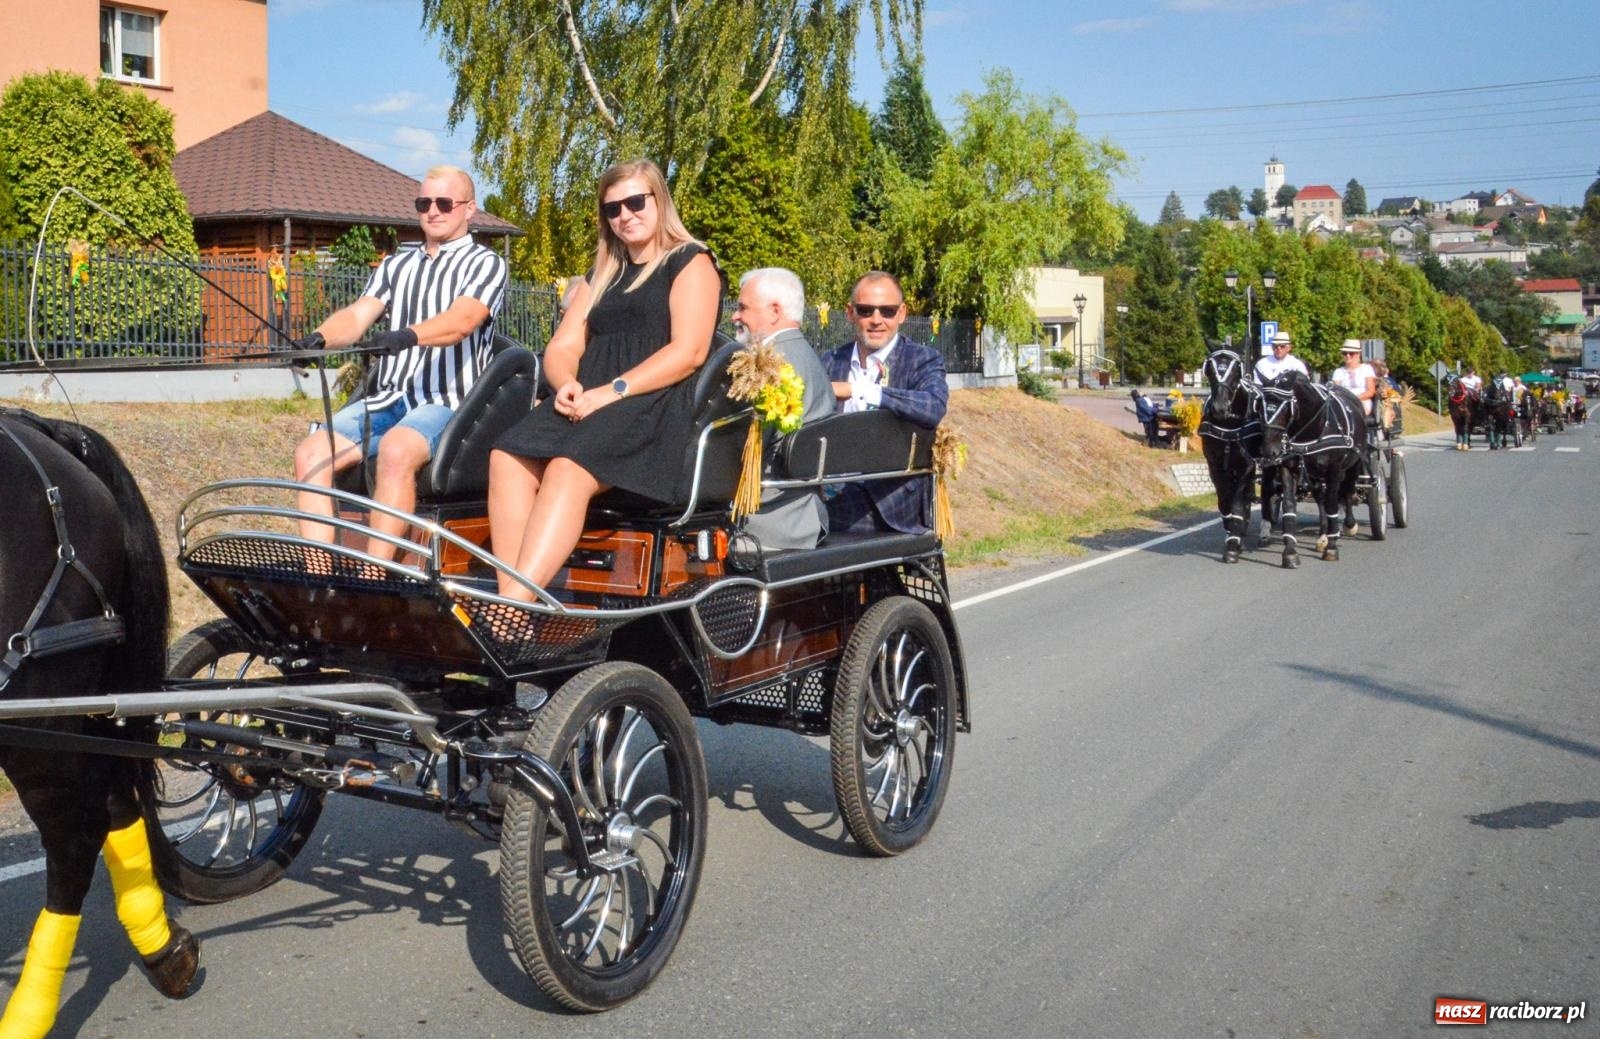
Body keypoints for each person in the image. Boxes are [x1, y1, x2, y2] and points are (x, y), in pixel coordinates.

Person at [487, 159, 724, 599]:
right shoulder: (603, 273)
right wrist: (565, 383)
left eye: (635, 202)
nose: (624, 216)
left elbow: (688, 352)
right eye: (612, 209)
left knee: (568, 467)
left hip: (652, 398)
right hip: (589, 395)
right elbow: (563, 347)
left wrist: (612, 391)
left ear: (659, 200)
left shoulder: (691, 261)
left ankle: (512, 605)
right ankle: (516, 610)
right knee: (506, 455)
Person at [291, 165, 508, 561]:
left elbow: (463, 320)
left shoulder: (485, 263)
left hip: (446, 403)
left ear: (469, 208)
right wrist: (319, 338)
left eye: (445, 203)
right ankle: (319, 579)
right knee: (310, 452)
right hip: (387, 398)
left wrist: (408, 335)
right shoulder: (396, 265)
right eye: (424, 203)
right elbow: (358, 316)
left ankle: (375, 572)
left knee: (396, 449)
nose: (433, 212)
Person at [820, 272, 949, 534]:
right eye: (866, 310)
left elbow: (933, 406)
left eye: (887, 311)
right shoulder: (829, 361)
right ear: (850, 313)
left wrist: (860, 390)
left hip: (893, 502)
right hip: (831, 494)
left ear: (902, 314)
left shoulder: (922, 360)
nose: (876, 320)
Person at [731, 267, 835, 550]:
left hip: (769, 521)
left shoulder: (773, 363)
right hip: (796, 516)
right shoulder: (801, 353)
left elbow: (737, 447)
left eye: (742, 308)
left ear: (775, 311)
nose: (734, 316)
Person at [1330, 340, 1378, 442]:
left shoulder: (1366, 369)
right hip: (1342, 402)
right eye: (1345, 353)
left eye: (1351, 353)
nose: (1347, 356)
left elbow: (1371, 391)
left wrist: (1354, 399)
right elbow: (1335, 390)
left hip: (1362, 401)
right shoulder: (1338, 372)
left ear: (1358, 355)